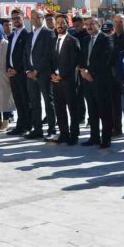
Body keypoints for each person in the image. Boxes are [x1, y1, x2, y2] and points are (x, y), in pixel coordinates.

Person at [79, 17, 115, 149]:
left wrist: (90, 73)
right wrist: (83, 70)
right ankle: (94, 137)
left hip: (101, 81)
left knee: (104, 111)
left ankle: (106, 139)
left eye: (92, 24)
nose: (88, 26)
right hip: (87, 81)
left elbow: (105, 60)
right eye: (86, 24)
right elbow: (82, 58)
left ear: (99, 25)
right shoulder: (85, 39)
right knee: (92, 110)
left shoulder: (106, 39)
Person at [49, 13, 81, 145]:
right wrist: (52, 75)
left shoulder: (73, 41)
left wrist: (62, 76)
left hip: (69, 82)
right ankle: (64, 134)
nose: (60, 25)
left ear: (67, 24)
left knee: (72, 109)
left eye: (62, 22)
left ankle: (74, 135)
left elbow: (74, 62)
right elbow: (50, 60)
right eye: (58, 23)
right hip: (56, 82)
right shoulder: (53, 41)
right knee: (59, 109)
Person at [24, 10, 56, 140]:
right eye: (32, 17)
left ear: (42, 18)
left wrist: (37, 70)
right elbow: (26, 54)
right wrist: (28, 71)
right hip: (31, 75)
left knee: (49, 102)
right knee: (34, 103)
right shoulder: (30, 35)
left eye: (37, 17)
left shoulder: (49, 33)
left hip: (43, 74)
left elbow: (48, 55)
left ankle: (52, 129)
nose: (35, 19)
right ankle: (37, 129)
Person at [6, 10, 31, 136]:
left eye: (18, 17)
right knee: (18, 101)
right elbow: (9, 54)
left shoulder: (27, 34)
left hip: (21, 73)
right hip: (12, 74)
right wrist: (8, 68)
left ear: (23, 18)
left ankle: (27, 125)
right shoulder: (12, 35)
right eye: (13, 18)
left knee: (25, 100)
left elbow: (25, 56)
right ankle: (20, 125)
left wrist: (17, 69)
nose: (15, 20)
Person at [110, 14, 124, 135]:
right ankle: (117, 128)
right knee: (114, 104)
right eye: (116, 22)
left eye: (120, 21)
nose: (118, 24)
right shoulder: (111, 38)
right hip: (113, 76)